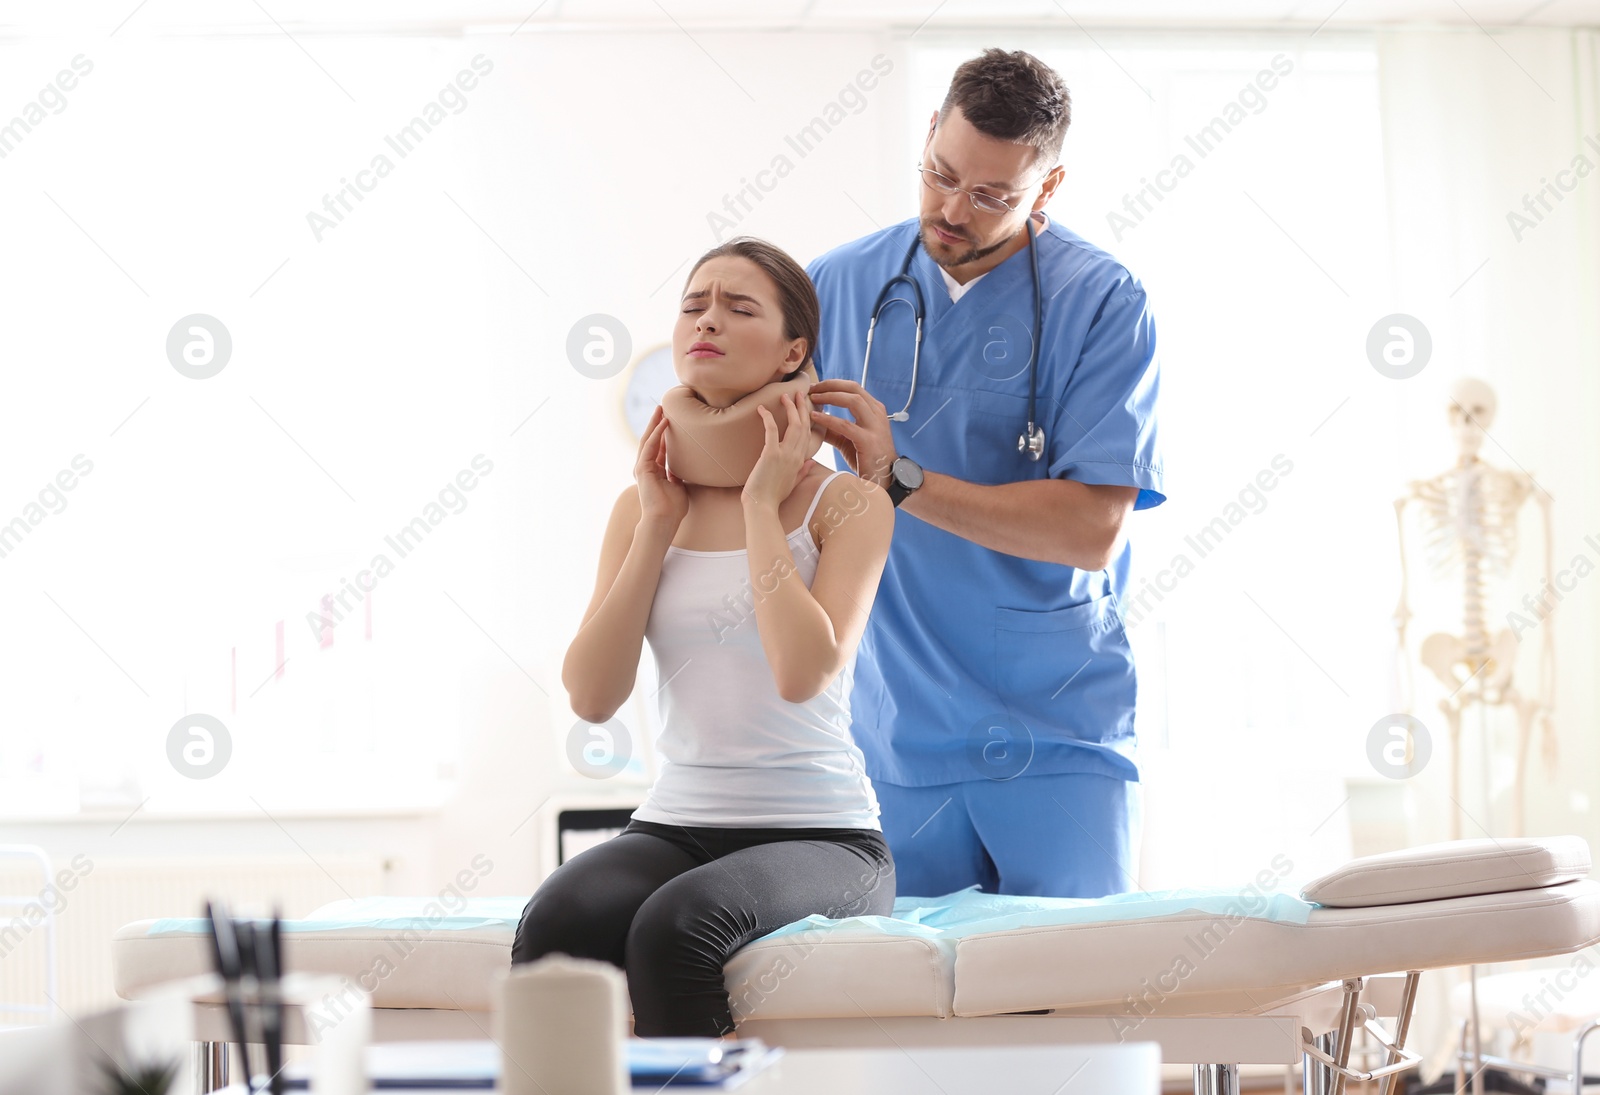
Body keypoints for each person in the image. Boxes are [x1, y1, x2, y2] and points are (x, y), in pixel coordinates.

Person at [512, 237, 897, 1039]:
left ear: (794, 350)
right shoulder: (641, 507)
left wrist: (763, 504)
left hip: (824, 834)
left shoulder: (851, 506)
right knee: (555, 920)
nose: (706, 320)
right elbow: (591, 695)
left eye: (738, 307)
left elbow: (803, 673)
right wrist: (657, 523)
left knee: (673, 928)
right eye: (693, 305)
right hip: (676, 821)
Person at [805, 48, 1167, 901]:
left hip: (1060, 737)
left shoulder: (1105, 303)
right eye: (940, 175)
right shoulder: (838, 285)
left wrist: (903, 480)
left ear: (1047, 189)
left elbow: (1089, 530)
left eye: (991, 195)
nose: (951, 209)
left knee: (1075, 1014)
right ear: (930, 134)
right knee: (911, 1019)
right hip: (897, 736)